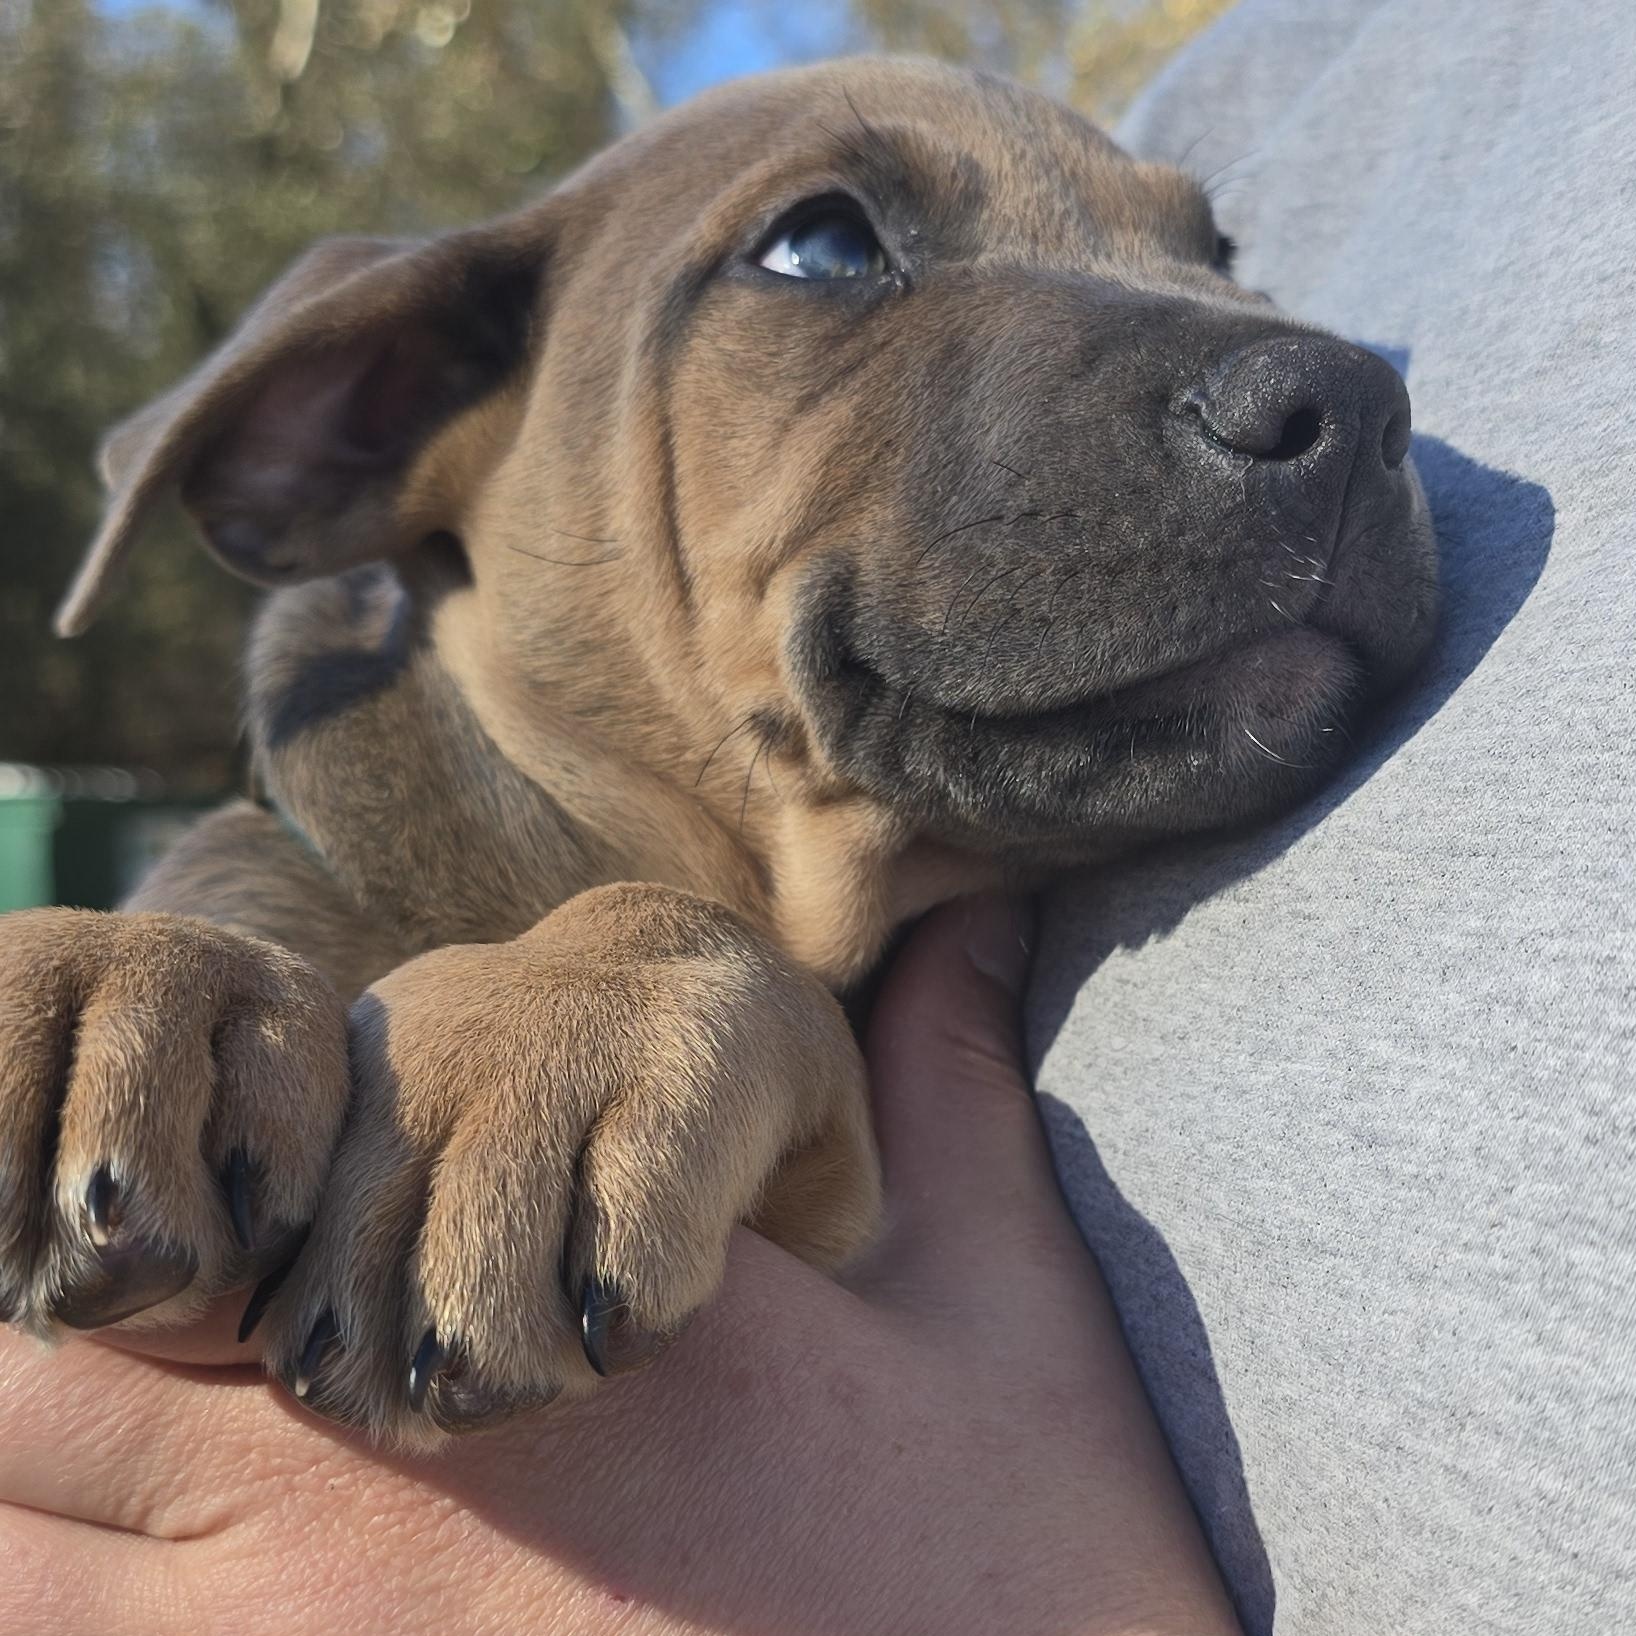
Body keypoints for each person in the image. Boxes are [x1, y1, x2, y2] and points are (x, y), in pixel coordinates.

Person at [3, 1, 1631, 1631]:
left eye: (1219, 267)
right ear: (391, 414)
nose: (1280, 375)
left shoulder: (883, 918)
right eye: (826, 250)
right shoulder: (217, 1000)